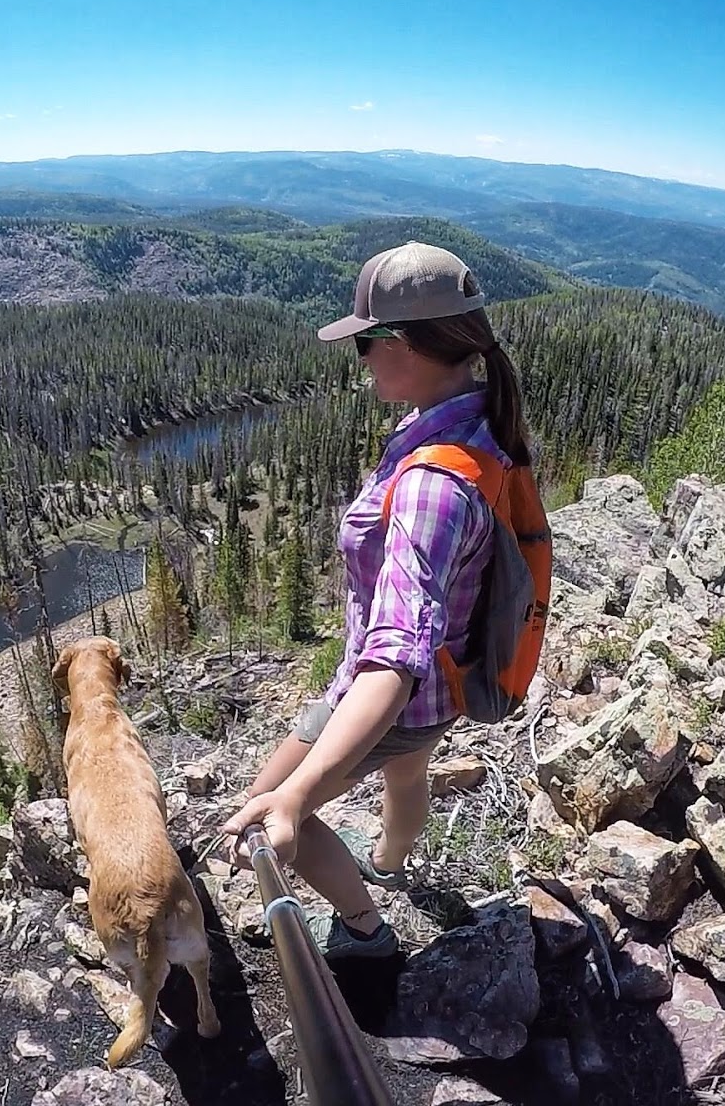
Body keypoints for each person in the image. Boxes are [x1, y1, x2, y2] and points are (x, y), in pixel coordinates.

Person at [221, 240, 536, 959]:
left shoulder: (431, 484)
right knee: (409, 770)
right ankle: (390, 863)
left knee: (262, 811)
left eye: (366, 340)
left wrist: (297, 800)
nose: (359, 356)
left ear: (408, 343)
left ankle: (365, 927)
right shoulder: (470, 424)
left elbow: (392, 660)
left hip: (392, 697)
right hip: (444, 691)